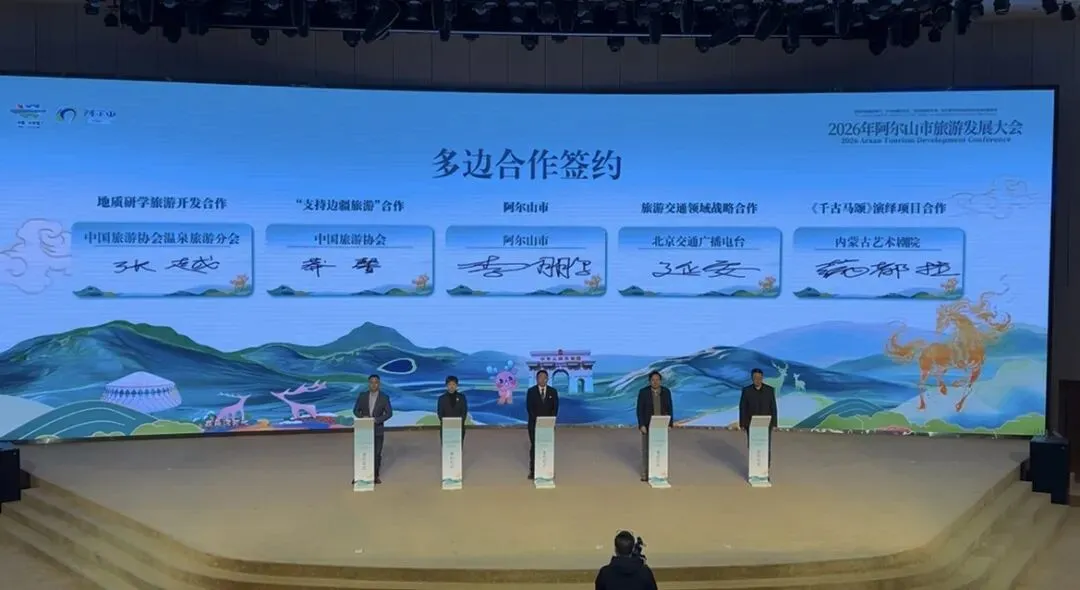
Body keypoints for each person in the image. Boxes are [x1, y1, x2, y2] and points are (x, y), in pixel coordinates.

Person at [352, 374, 393, 484]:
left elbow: (389, 413)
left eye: (376, 382)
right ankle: (359, 475)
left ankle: (375, 475)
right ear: (368, 384)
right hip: (364, 429)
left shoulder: (384, 397)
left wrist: (376, 420)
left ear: (379, 384)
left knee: (377, 454)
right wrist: (362, 417)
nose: (373, 385)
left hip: (378, 429)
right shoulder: (362, 396)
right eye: (371, 382)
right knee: (362, 452)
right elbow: (355, 411)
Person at [636, 370, 673, 482]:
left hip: (661, 425)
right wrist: (641, 425)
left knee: (660, 449)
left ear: (660, 381)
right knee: (646, 450)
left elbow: (670, 408)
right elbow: (639, 410)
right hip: (647, 425)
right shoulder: (643, 392)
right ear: (649, 381)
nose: (655, 382)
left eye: (657, 380)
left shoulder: (666, 392)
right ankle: (645, 474)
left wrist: (670, 424)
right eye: (653, 380)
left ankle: (659, 473)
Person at [525, 369, 559, 479]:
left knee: (547, 447)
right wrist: (538, 421)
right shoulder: (531, 391)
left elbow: (555, 408)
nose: (542, 379)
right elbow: (529, 408)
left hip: (548, 425)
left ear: (547, 379)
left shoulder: (553, 392)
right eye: (540, 377)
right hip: (534, 425)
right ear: (536, 379)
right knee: (535, 446)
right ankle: (533, 471)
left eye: (544, 378)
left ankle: (547, 470)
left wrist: (549, 421)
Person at [739, 368, 778, 463]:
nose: (757, 380)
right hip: (751, 424)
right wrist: (742, 424)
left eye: (759, 378)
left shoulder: (769, 390)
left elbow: (773, 407)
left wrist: (774, 423)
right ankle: (754, 466)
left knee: (766, 445)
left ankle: (766, 467)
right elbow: (743, 407)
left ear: (762, 378)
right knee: (753, 445)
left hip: (766, 423)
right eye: (755, 377)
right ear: (752, 378)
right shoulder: (746, 390)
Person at [436, 375, 468, 443]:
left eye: (453, 384)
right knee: (447, 446)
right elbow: (440, 413)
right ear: (446, 385)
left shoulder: (462, 397)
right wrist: (447, 423)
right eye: (449, 384)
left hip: (459, 426)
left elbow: (464, 411)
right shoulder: (441, 398)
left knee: (458, 446)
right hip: (446, 427)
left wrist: (458, 422)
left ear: (456, 385)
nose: (451, 386)